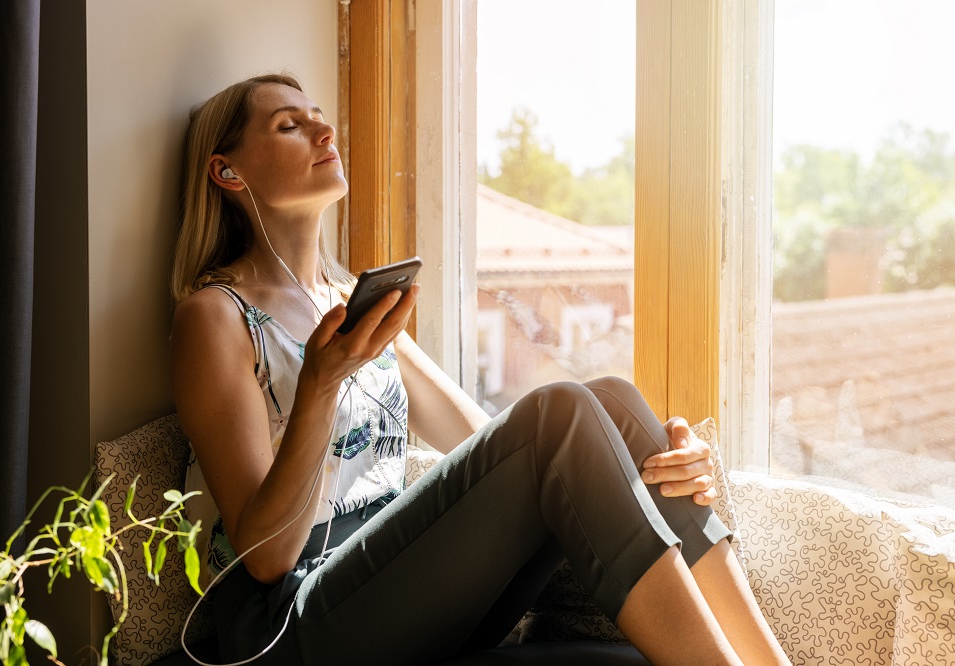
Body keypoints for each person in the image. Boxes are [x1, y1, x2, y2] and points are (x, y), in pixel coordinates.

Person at [170, 73, 790, 666]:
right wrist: (321, 385)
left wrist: (651, 462)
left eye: (321, 120)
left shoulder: (355, 303)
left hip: (403, 591)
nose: (324, 134)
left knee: (614, 403)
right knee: (564, 412)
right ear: (228, 171)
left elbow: (487, 445)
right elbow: (266, 558)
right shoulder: (216, 317)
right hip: (292, 625)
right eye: (289, 126)